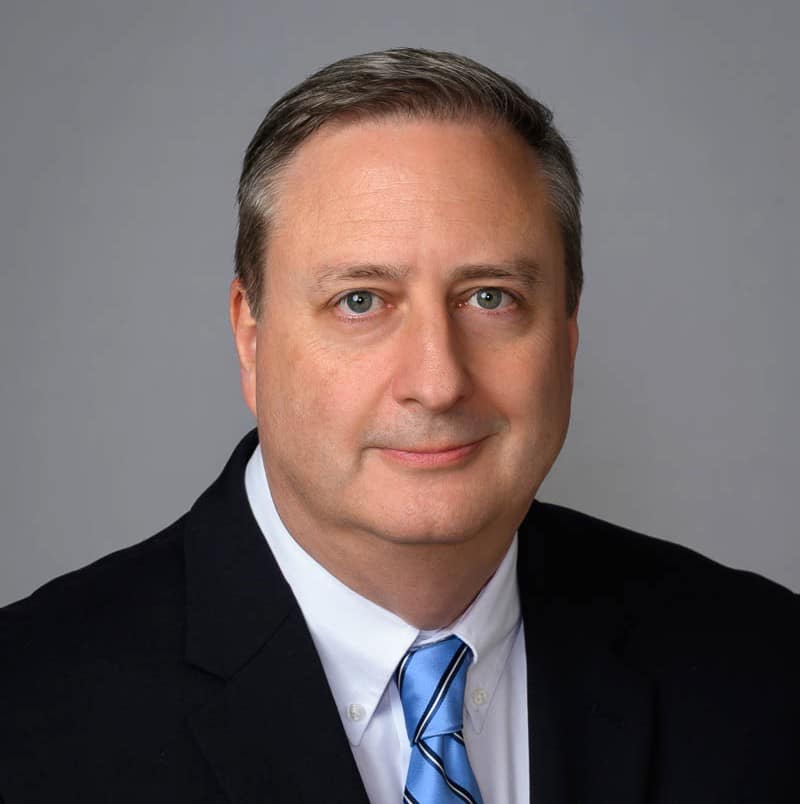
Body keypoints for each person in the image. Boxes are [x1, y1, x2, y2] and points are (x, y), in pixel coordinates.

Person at [0, 48, 797, 804]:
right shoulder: (29, 710)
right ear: (251, 335)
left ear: (568, 333)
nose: (437, 381)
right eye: (360, 301)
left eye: (491, 297)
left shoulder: (762, 668)